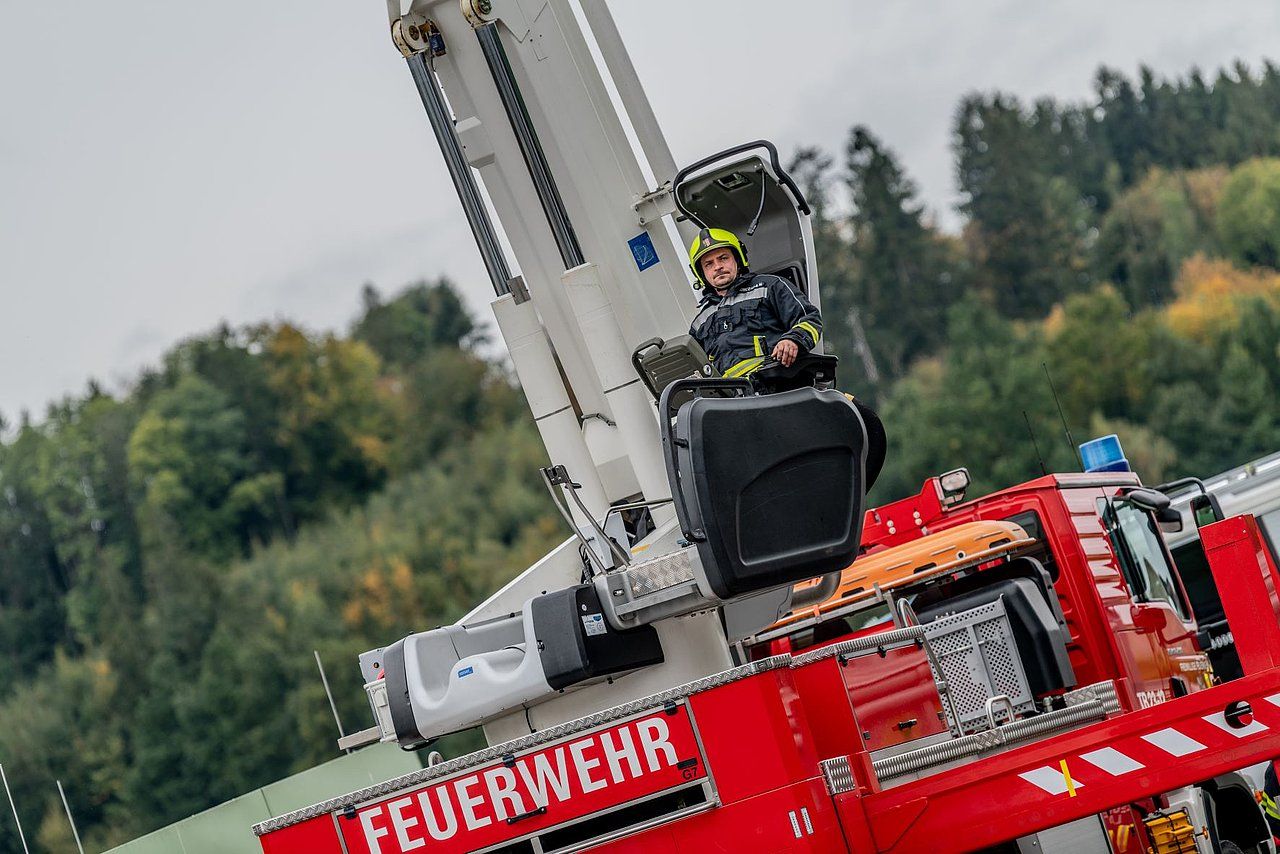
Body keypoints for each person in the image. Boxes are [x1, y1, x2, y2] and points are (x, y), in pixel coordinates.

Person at [686, 227, 823, 379]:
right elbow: (693, 365)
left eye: (723, 258)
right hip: (728, 397)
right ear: (701, 273)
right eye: (709, 264)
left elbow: (810, 319)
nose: (718, 267)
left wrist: (792, 340)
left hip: (775, 382)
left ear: (738, 259)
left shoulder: (770, 286)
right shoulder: (699, 323)